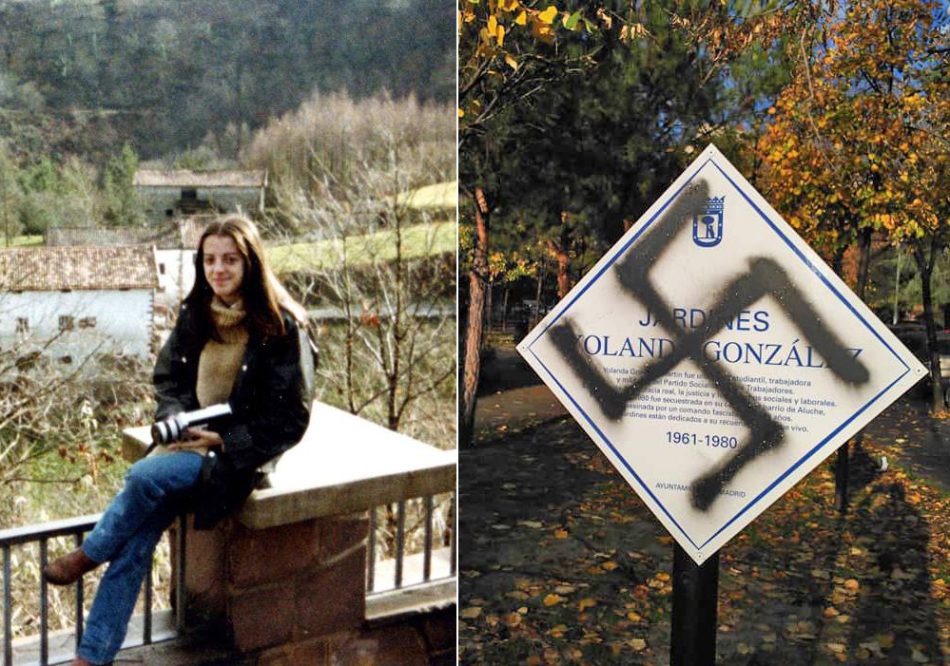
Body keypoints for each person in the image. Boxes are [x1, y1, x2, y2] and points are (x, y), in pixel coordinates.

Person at [42, 215, 314, 666]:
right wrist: (176, 419)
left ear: (251, 263)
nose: (218, 269)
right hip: (187, 443)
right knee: (134, 543)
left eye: (230, 259)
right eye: (209, 260)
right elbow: (168, 378)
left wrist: (228, 441)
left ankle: (89, 554)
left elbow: (291, 418)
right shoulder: (196, 315)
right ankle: (92, 657)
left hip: (231, 460)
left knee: (142, 475)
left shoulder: (283, 328)